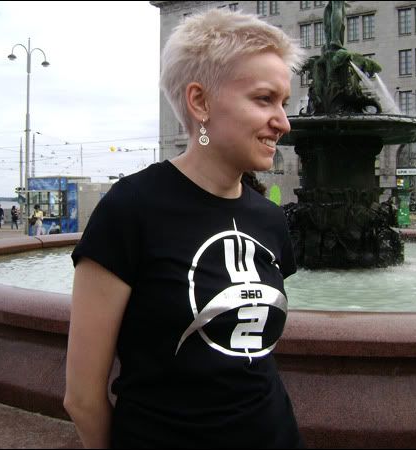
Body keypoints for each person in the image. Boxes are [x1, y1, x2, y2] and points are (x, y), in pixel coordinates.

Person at [64, 9, 305, 449]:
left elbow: (252, 359)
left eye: (283, 103)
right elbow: (81, 398)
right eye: (264, 99)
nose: (283, 122)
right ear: (200, 102)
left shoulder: (270, 219)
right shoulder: (130, 209)